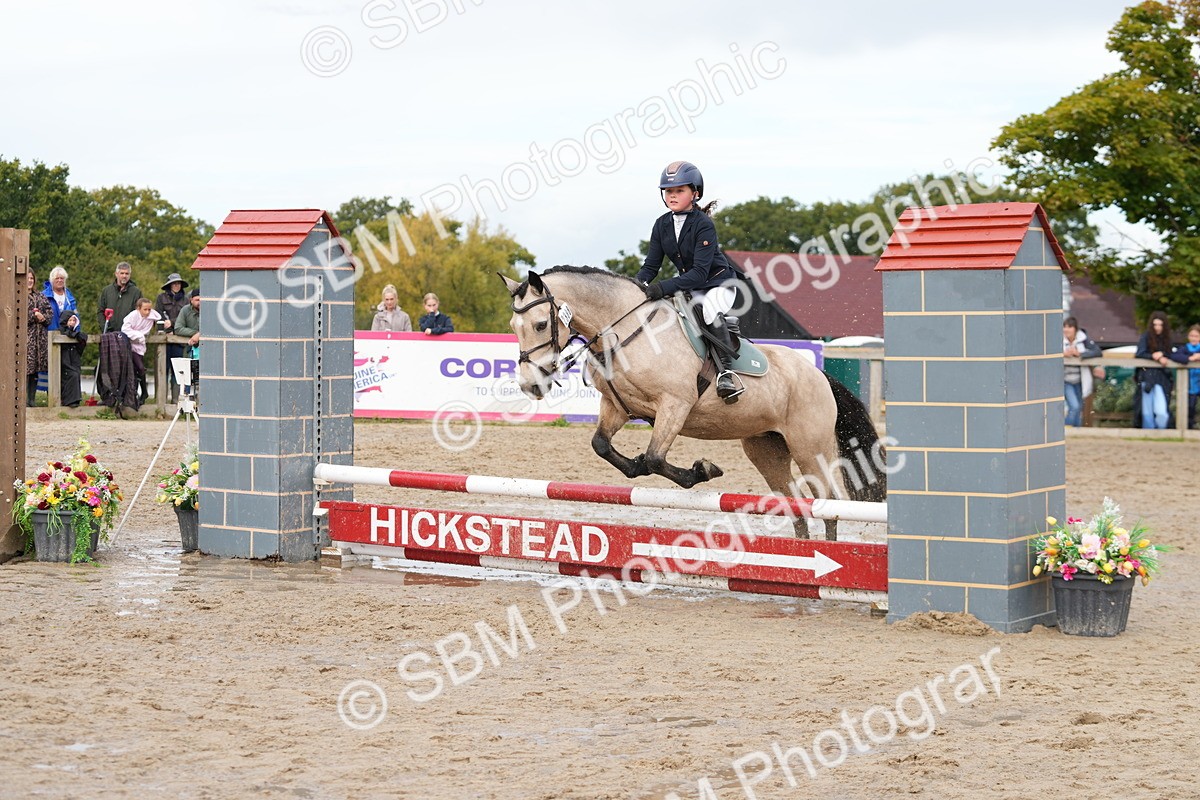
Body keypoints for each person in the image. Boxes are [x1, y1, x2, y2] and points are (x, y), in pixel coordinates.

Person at [636, 160, 745, 402]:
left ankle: (727, 373)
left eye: (679, 191)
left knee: (707, 312)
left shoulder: (703, 224)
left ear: (694, 193)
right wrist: (635, 287)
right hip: (691, 288)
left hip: (719, 285)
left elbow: (698, 273)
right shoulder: (661, 224)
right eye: (669, 191)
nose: (672, 196)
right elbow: (651, 266)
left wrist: (662, 288)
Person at [98, 261, 145, 399]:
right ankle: (108, 396)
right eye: (122, 273)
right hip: (110, 335)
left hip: (127, 336)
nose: (124, 276)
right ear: (116, 274)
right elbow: (100, 311)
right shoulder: (107, 291)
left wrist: (131, 332)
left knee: (129, 367)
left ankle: (128, 396)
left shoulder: (136, 292)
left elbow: (139, 314)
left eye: (127, 274)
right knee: (108, 367)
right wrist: (105, 328)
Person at [42, 266, 87, 408]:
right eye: (57, 278)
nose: (60, 280)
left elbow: (75, 315)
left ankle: (69, 399)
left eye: (62, 278)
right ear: (52, 280)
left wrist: (76, 329)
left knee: (69, 367)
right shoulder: (45, 295)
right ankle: (54, 400)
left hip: (68, 335)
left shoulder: (69, 296)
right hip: (51, 333)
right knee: (53, 368)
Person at [1135, 311, 1174, 429]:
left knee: (1161, 411)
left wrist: (1162, 354)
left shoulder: (1167, 339)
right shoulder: (1146, 337)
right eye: (1155, 325)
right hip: (1147, 376)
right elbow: (1140, 353)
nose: (1157, 328)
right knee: (1147, 411)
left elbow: (1170, 354)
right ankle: (1148, 433)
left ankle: (1161, 432)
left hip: (1161, 378)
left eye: (1160, 325)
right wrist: (1153, 356)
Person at [155, 272, 190, 403]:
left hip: (179, 340)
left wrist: (173, 323)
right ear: (169, 285)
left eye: (178, 283)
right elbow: (157, 315)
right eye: (174, 283)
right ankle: (161, 400)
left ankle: (176, 400)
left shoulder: (186, 300)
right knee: (162, 370)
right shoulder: (161, 298)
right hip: (163, 338)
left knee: (178, 371)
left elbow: (186, 317)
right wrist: (166, 330)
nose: (177, 285)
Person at [1062, 316, 1102, 427]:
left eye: (1069, 327)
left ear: (1075, 329)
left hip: (1080, 379)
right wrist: (1063, 355)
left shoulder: (1083, 340)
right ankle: (1067, 429)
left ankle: (1076, 430)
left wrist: (1080, 354)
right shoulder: (1058, 340)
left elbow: (1097, 351)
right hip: (1065, 380)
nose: (1066, 330)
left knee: (1079, 408)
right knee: (1074, 407)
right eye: (1064, 327)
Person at [121, 298, 162, 403]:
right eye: (145, 309)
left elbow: (149, 328)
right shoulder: (132, 316)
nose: (148, 312)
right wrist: (138, 335)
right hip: (129, 345)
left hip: (140, 346)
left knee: (139, 369)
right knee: (137, 368)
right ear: (138, 308)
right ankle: (138, 393)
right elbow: (125, 329)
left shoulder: (151, 317)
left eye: (149, 309)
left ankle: (142, 392)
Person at [26, 268, 52, 407]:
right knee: (25, 370)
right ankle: (22, 400)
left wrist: (43, 317)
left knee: (36, 370)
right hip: (25, 339)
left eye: (31, 278)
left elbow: (49, 313)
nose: (29, 281)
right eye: (27, 278)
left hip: (39, 340)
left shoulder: (40, 296)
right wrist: (33, 316)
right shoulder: (18, 295)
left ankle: (32, 400)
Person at [1168, 323, 1200, 429]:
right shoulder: (1185, 349)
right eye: (1192, 336)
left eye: (1196, 336)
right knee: (1190, 407)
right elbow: (1174, 355)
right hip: (1190, 384)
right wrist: (1190, 359)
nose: (1194, 338)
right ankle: (1188, 428)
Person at [175, 289, 201, 396]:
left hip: (209, 350)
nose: (200, 302)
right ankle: (188, 404)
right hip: (190, 349)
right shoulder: (185, 310)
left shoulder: (210, 309)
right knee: (188, 377)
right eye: (197, 300)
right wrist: (196, 334)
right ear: (191, 300)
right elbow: (178, 328)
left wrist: (200, 335)